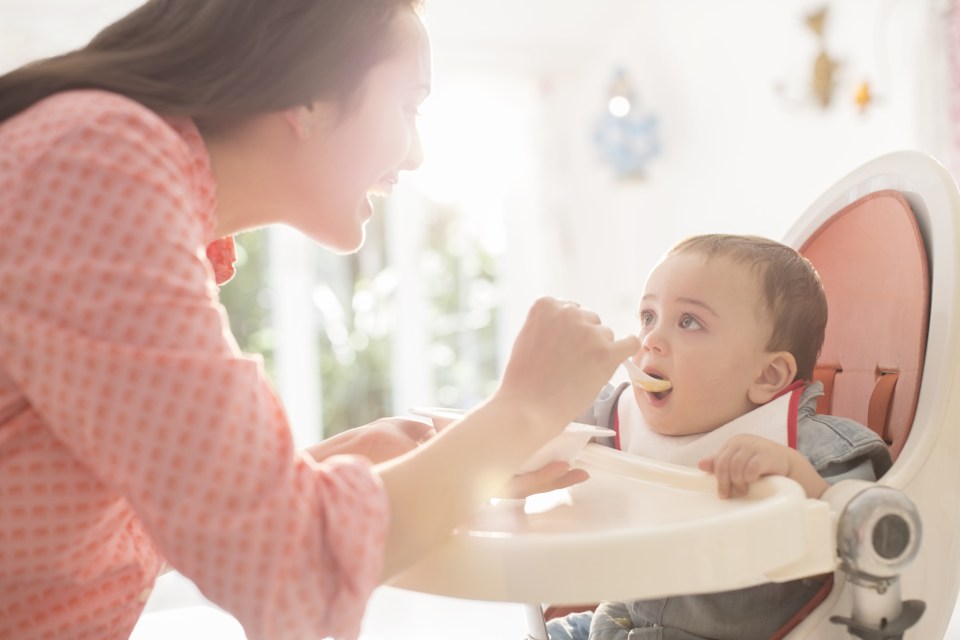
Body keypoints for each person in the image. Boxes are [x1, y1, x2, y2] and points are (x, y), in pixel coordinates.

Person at [0, 2, 640, 639]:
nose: (416, 155)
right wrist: (523, 407)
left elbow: (169, 524)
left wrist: (340, 466)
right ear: (307, 92)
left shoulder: (119, 176)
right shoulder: (97, 166)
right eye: (408, 106)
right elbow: (288, 566)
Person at [547, 234, 892, 640]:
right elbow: (541, 423)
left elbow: (871, 538)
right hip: (616, 625)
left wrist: (800, 482)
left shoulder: (812, 449)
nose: (650, 340)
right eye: (647, 317)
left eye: (689, 321)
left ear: (767, 376)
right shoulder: (617, 414)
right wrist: (557, 384)